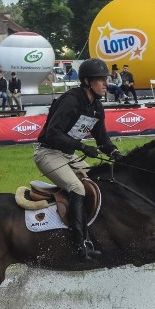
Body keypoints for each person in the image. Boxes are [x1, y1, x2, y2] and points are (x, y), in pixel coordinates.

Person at [34, 58, 124, 260]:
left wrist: (116, 153)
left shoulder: (97, 107)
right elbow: (52, 134)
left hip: (68, 154)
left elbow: (102, 140)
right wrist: (82, 146)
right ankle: (79, 244)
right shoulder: (71, 101)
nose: (105, 83)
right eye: (100, 80)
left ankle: (100, 233)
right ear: (86, 82)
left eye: (105, 79)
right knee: (77, 188)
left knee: (100, 182)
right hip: (48, 153)